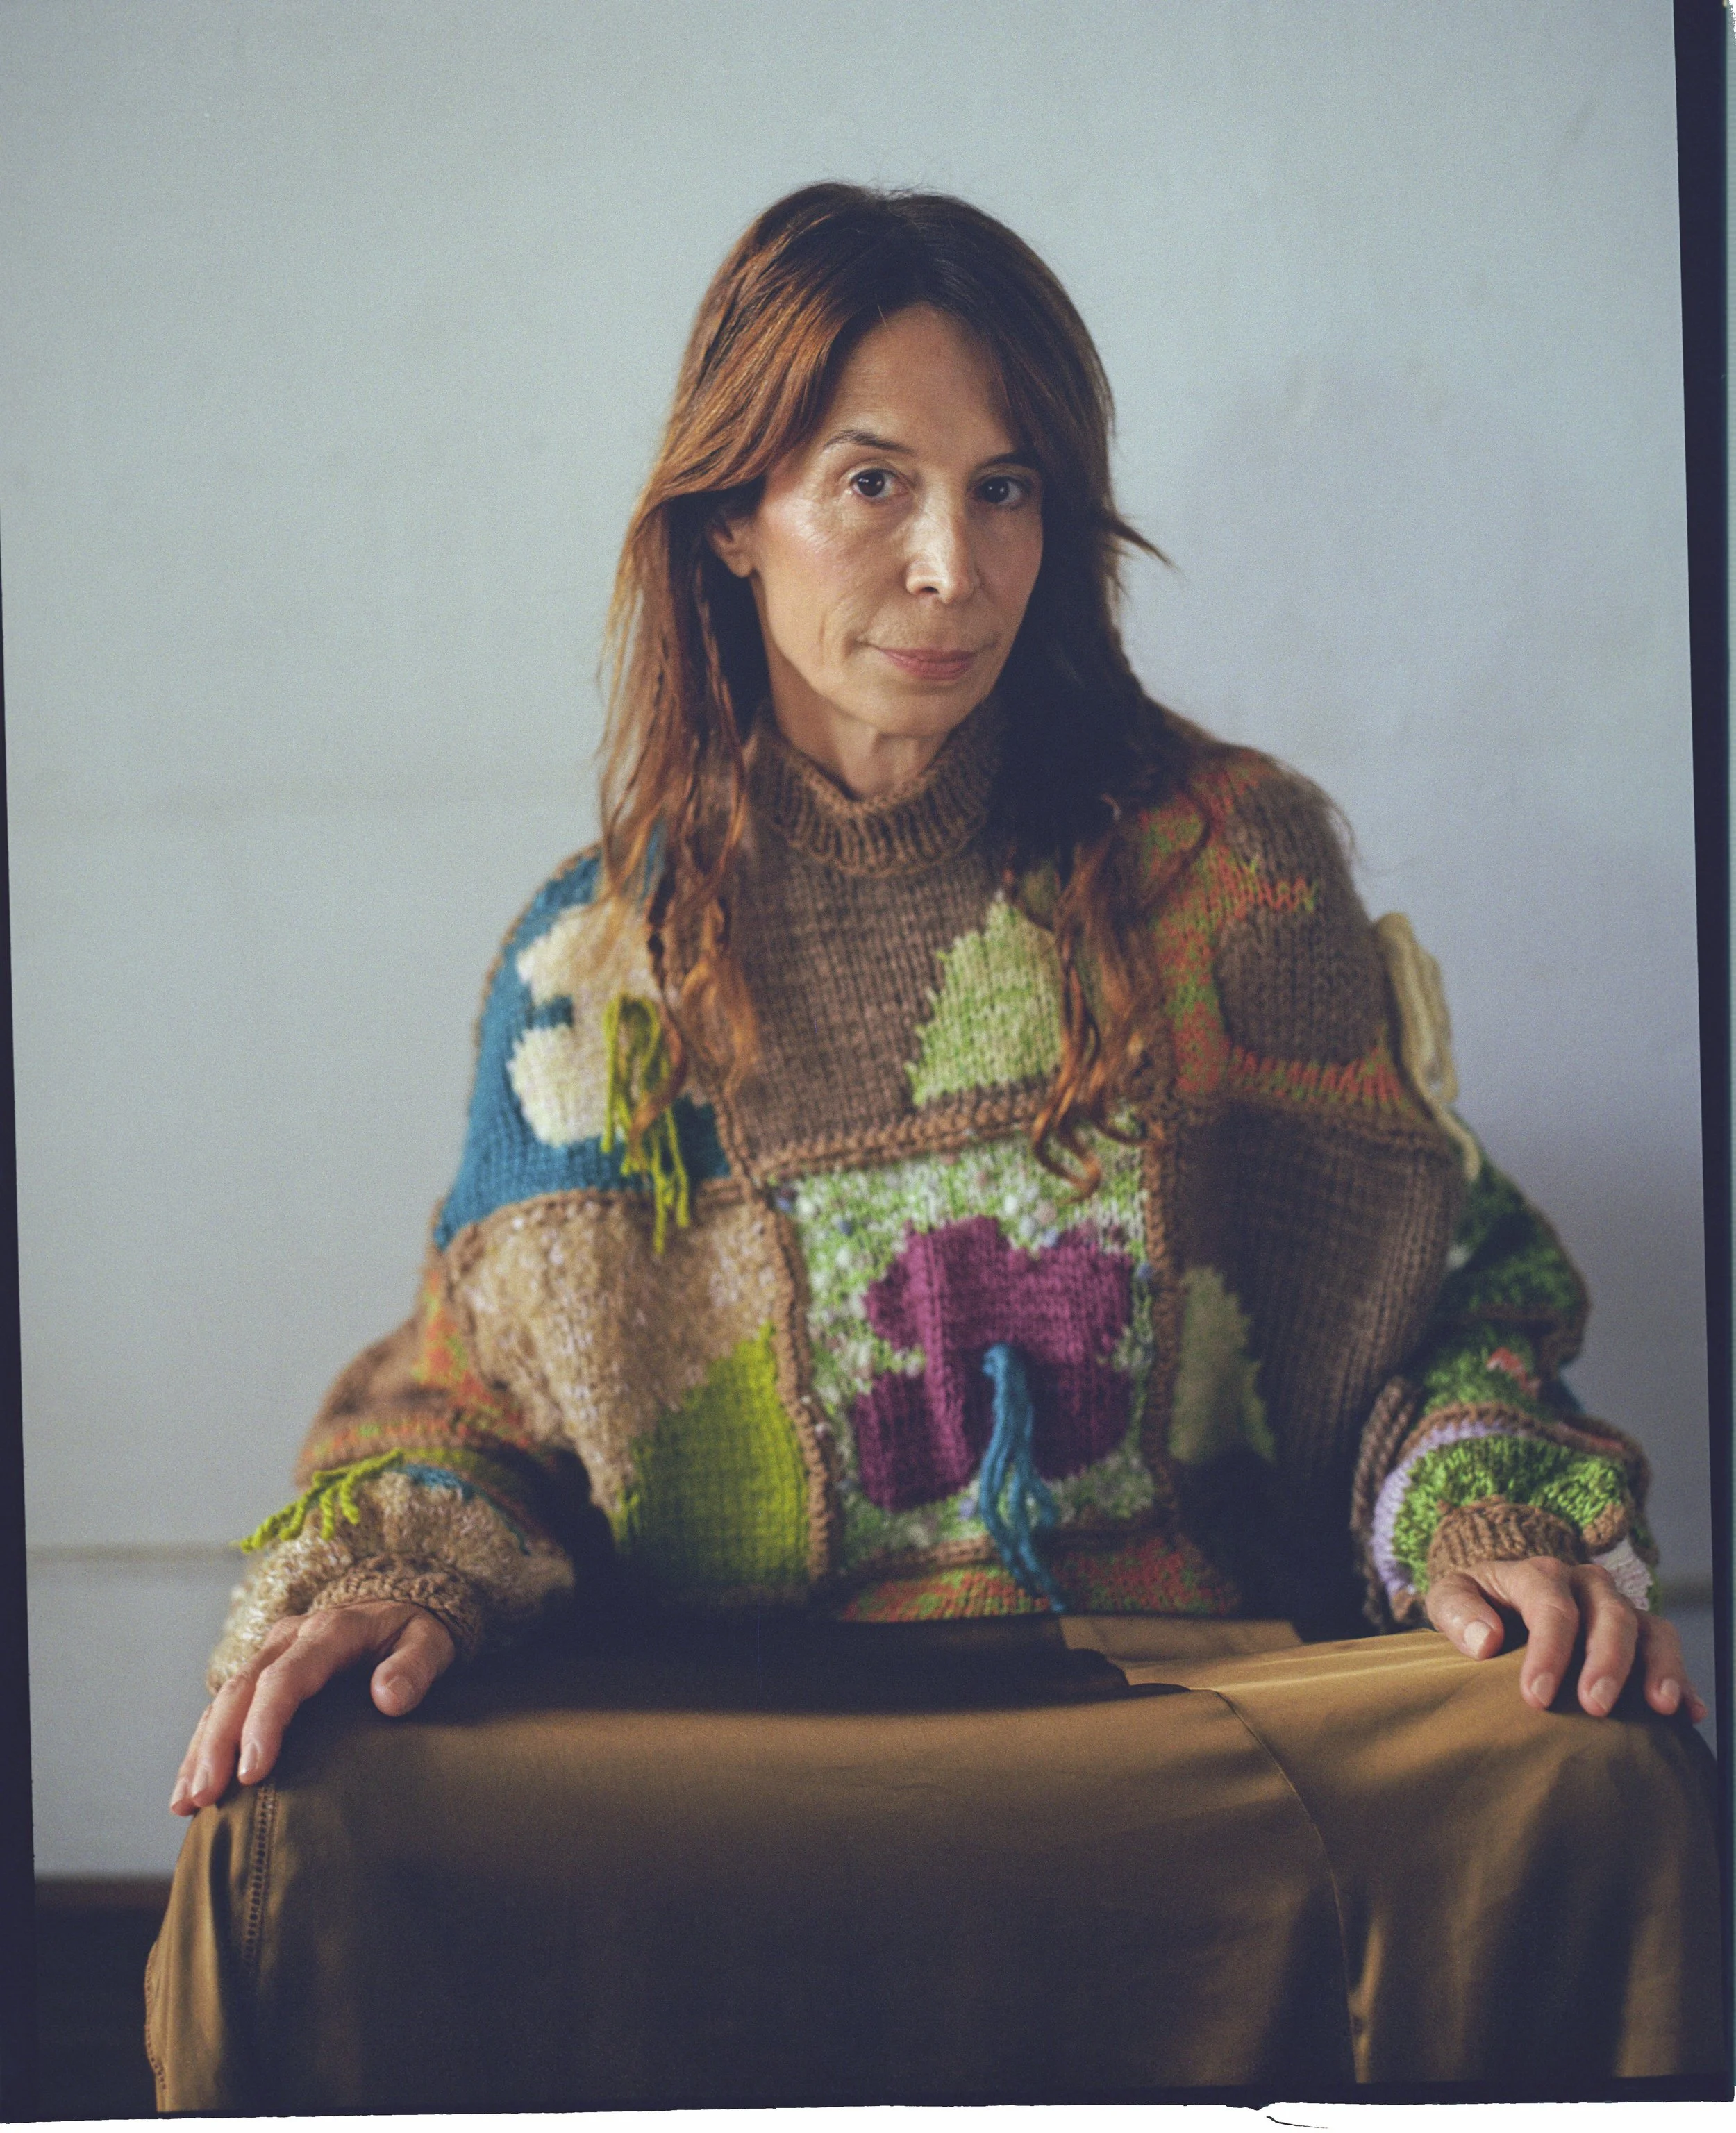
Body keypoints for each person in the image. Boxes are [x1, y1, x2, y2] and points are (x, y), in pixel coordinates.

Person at [156, 184, 1717, 2098]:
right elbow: (474, 1407)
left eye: (1006, 491)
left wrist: (1477, 1517)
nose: (951, 568)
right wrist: (401, 1578)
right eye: (871, 484)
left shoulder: (1233, 871)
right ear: (729, 515)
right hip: (739, 1755)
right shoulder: (592, 966)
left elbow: (1437, 1309)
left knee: (1588, 1762)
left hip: (1179, 1716)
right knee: (290, 1823)